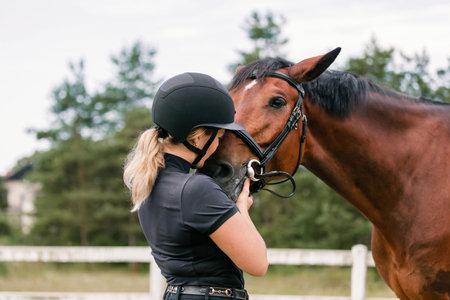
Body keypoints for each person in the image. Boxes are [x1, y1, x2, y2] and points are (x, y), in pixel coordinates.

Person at [123, 72, 268, 300]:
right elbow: (258, 263)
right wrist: (242, 209)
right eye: (219, 137)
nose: (218, 145)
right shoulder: (197, 188)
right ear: (198, 138)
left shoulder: (147, 184)